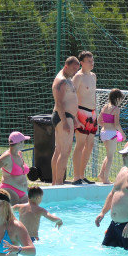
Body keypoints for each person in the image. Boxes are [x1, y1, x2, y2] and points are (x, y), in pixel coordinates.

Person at [50, 55, 80, 185]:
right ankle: (58, 183)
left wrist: (74, 118)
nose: (75, 72)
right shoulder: (61, 81)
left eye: (77, 69)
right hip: (63, 117)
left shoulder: (68, 79)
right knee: (65, 151)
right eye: (73, 68)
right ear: (66, 66)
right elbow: (60, 103)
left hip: (67, 117)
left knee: (59, 150)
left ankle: (55, 182)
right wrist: (66, 122)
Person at [72, 51, 98, 185]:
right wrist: (75, 117)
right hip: (81, 112)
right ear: (81, 63)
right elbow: (72, 97)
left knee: (90, 145)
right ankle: (76, 176)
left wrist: (96, 115)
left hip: (92, 114)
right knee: (80, 145)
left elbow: (93, 96)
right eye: (89, 61)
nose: (91, 63)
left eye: (92, 60)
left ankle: (82, 175)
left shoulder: (93, 76)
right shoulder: (78, 77)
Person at [0, 131, 33, 201]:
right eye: (23, 141)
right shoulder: (7, 157)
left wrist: (27, 188)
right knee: (12, 211)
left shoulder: (20, 154)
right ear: (19, 143)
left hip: (22, 192)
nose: (24, 143)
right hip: (9, 190)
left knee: (29, 209)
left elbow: (22, 174)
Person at [97, 88, 125, 183]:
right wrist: (122, 133)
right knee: (110, 156)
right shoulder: (116, 109)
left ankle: (101, 174)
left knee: (108, 154)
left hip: (103, 132)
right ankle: (106, 179)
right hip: (111, 133)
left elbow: (99, 121)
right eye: (120, 99)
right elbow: (117, 124)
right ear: (117, 98)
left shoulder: (105, 107)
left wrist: (106, 125)